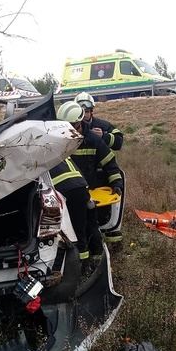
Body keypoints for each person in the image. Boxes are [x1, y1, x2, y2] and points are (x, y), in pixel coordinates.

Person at [57, 101, 124, 263]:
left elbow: (110, 163)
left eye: (72, 125)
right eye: (65, 125)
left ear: (79, 122)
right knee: (72, 229)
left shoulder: (92, 140)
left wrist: (117, 184)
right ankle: (77, 261)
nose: (69, 129)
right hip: (65, 193)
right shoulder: (58, 140)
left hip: (89, 192)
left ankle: (92, 262)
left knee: (89, 227)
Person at [49, 158, 92, 263]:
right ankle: (84, 263)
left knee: (64, 231)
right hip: (81, 187)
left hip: (63, 191)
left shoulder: (40, 155)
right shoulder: (60, 152)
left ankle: (71, 262)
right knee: (80, 230)